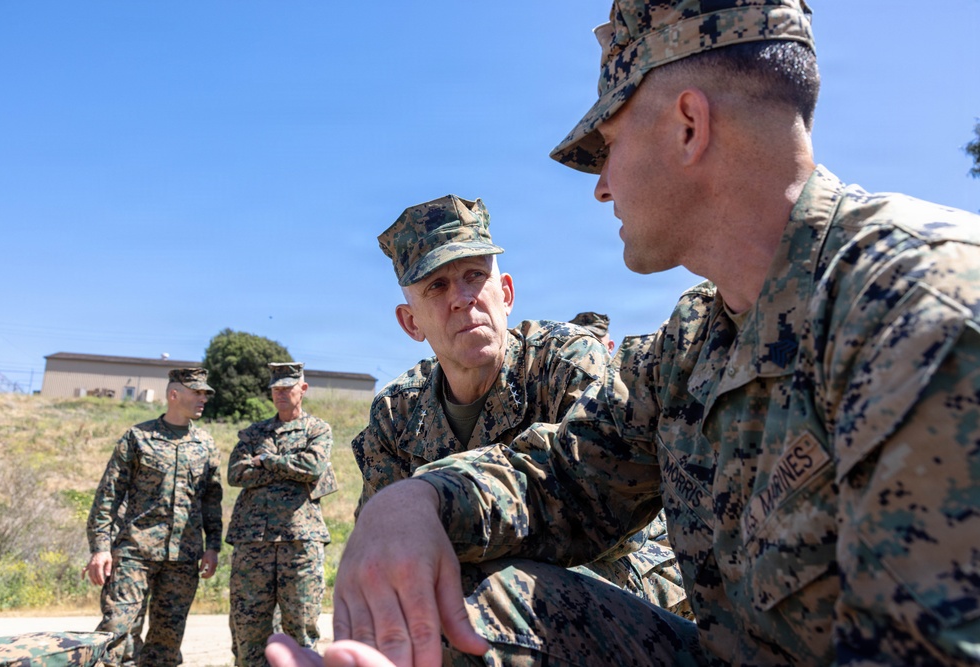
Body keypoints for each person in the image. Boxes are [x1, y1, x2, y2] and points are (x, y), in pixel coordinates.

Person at [269, 1, 980, 666]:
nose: (602, 185)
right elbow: (566, 476)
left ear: (688, 126)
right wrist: (417, 499)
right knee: (492, 610)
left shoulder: (918, 307)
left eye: (608, 144)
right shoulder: (692, 343)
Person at [353, 193, 687, 612]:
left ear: (506, 294)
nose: (462, 298)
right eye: (437, 286)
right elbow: (383, 544)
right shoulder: (396, 415)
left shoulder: (564, 363)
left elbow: (609, 520)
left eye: (475, 275)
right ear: (410, 322)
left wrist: (449, 513)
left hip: (620, 579)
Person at [85, 368, 223, 667]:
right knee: (117, 632)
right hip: (134, 553)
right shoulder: (137, 437)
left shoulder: (205, 444)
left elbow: (212, 501)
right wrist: (100, 548)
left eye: (206, 394)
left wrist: (213, 546)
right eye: (197, 393)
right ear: (174, 394)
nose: (203, 399)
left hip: (183, 558)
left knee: (166, 642)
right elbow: (108, 496)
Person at [227, 362, 337, 666]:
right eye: (276, 389)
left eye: (287, 388)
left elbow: (313, 466)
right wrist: (290, 468)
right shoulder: (254, 432)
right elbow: (236, 473)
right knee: (248, 630)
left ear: (303, 389)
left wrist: (266, 460)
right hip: (253, 542)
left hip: (299, 541)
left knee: (300, 627)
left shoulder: (317, 429)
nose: (280, 394)